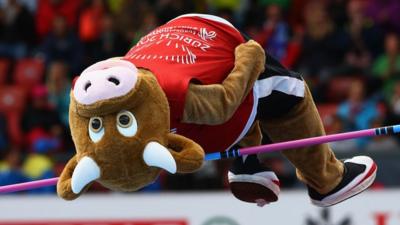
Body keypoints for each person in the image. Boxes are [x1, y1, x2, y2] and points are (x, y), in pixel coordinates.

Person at [120, 14, 377, 207]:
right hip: (207, 119)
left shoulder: (94, 91)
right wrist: (249, 60)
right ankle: (327, 181)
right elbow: (223, 104)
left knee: (248, 92)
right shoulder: (172, 87)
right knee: (289, 90)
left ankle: (248, 162)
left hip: (170, 142)